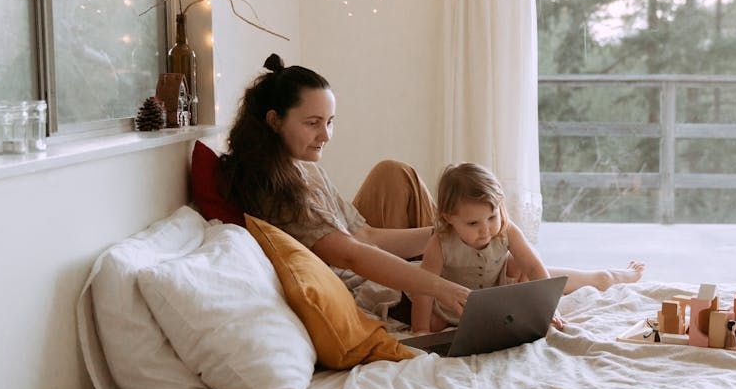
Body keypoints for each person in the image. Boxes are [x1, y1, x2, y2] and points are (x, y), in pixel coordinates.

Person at [218, 54, 643, 330]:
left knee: (487, 244)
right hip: (375, 286)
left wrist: (457, 229)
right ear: (274, 121)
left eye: (330, 121)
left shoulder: (301, 166)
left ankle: (595, 276)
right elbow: (349, 251)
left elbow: (364, 235)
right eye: (313, 123)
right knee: (496, 267)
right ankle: (598, 278)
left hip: (376, 255)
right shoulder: (273, 187)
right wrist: (439, 283)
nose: (326, 135)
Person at [411, 162, 553, 332]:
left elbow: (533, 266)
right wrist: (420, 330)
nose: (485, 230)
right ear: (448, 218)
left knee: (520, 262)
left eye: (492, 217)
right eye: (473, 223)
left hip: (495, 294)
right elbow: (424, 288)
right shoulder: (441, 242)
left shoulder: (507, 230)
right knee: (434, 325)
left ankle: (514, 308)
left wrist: (550, 309)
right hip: (452, 304)